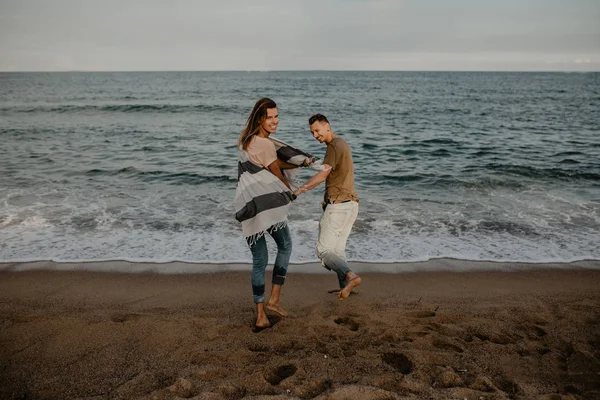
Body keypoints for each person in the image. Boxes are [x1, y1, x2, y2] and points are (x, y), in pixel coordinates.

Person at [234, 98, 303, 330]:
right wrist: (291, 191)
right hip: (267, 208)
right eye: (270, 117)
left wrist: (297, 164)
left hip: (248, 204)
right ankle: (274, 299)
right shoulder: (265, 144)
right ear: (260, 118)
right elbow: (276, 171)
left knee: (259, 260)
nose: (275, 121)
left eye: (276, 116)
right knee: (285, 246)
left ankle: (260, 315)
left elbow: (270, 163)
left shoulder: (245, 141)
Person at [293, 114, 361, 300]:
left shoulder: (332, 146)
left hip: (338, 206)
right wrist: (310, 162)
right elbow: (327, 168)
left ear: (327, 126)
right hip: (351, 205)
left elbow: (323, 175)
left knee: (323, 252)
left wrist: (299, 190)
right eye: (312, 132)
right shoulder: (342, 144)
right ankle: (345, 289)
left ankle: (351, 276)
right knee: (337, 253)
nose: (315, 135)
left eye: (317, 130)